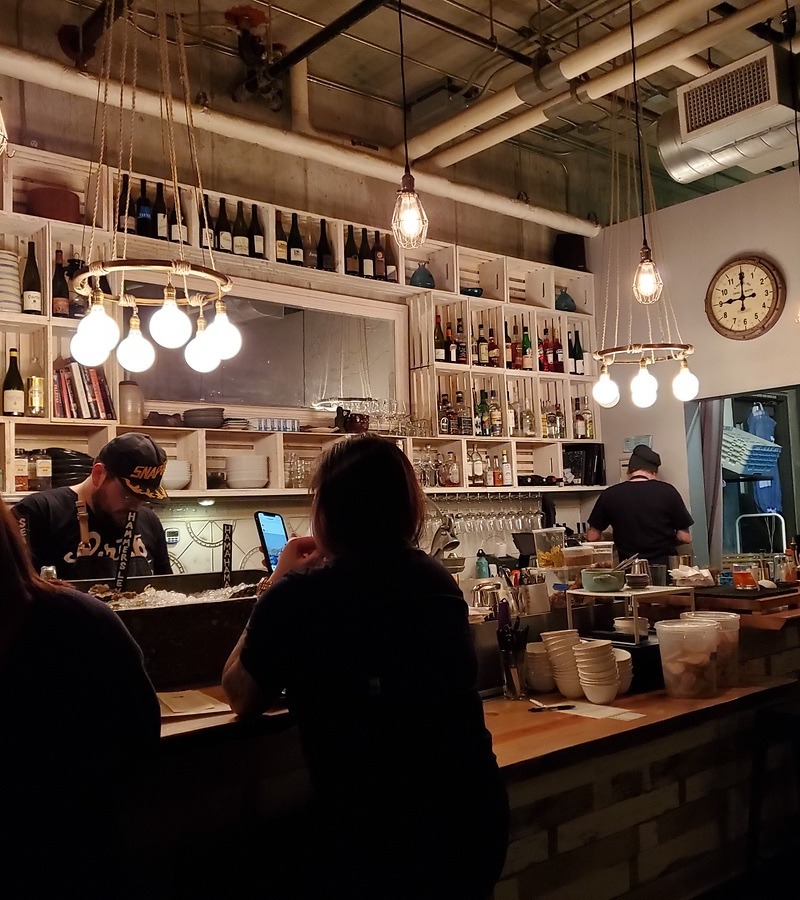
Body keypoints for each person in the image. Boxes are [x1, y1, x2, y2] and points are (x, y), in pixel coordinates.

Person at [223, 434, 509, 899]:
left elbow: (240, 694)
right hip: (470, 820)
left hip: (376, 836)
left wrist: (276, 582)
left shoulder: (300, 595)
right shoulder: (435, 579)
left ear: (327, 510)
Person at [0, 498, 161, 897]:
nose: (135, 503)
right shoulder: (82, 617)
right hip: (86, 849)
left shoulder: (79, 619)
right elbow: (141, 733)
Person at [14, 432, 172, 579]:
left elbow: (166, 590)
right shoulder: (38, 512)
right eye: (127, 496)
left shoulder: (150, 521)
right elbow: (14, 592)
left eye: (142, 499)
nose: (135, 508)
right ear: (98, 474)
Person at [586, 443, 693, 567]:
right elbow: (685, 537)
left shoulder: (610, 494)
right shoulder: (668, 492)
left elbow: (592, 536)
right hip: (664, 568)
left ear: (630, 470)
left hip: (628, 569)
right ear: (654, 471)